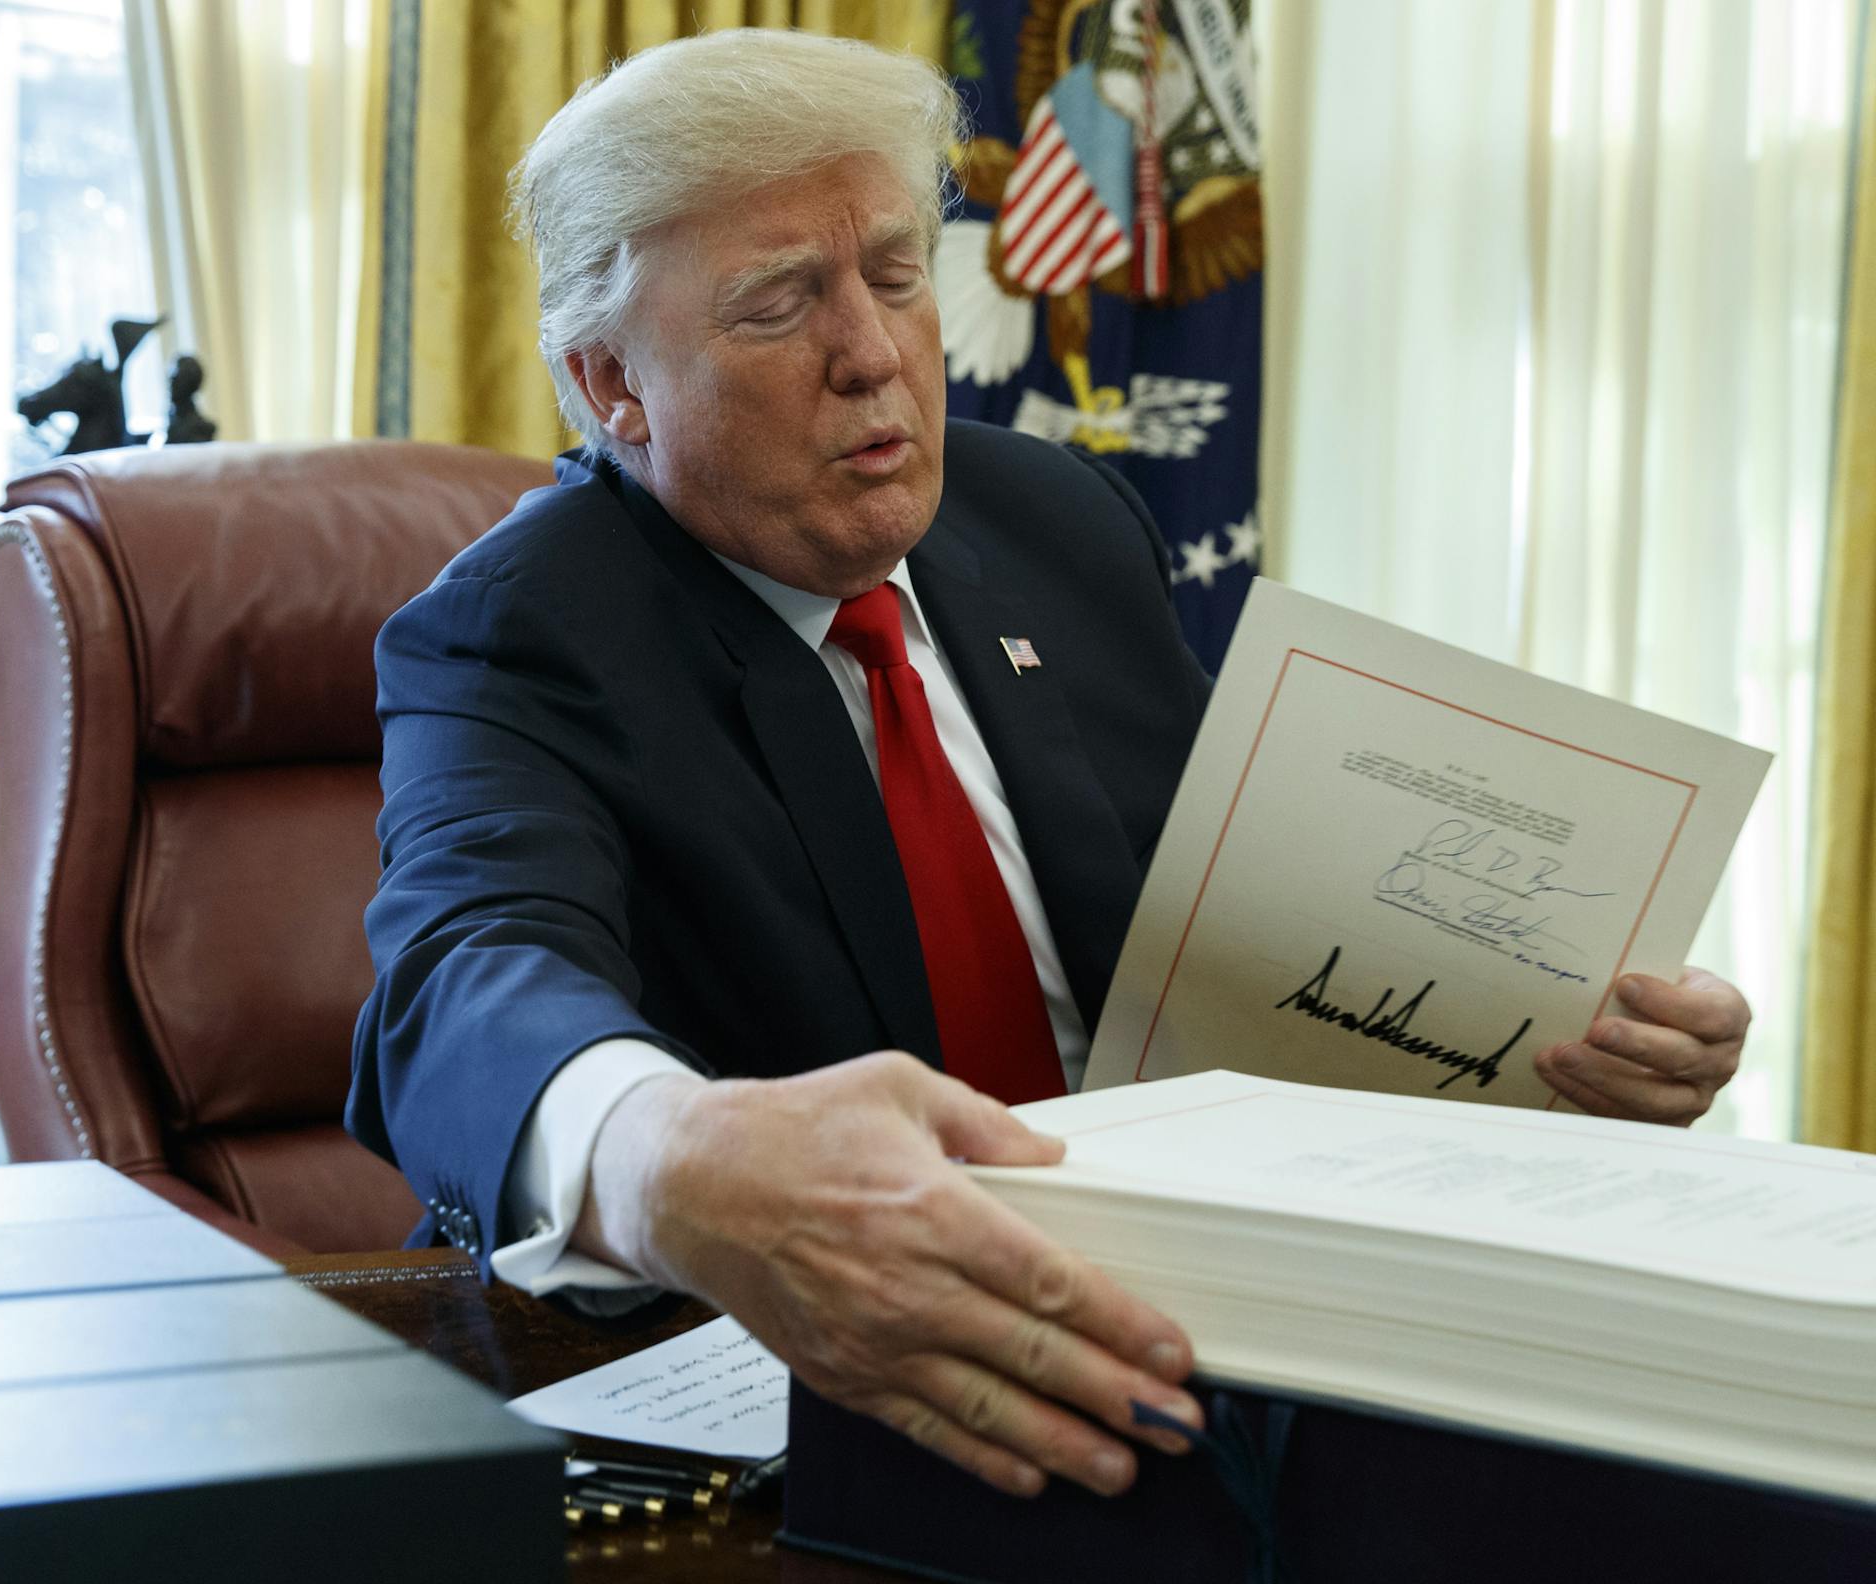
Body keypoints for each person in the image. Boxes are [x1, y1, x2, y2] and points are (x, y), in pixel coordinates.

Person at [348, 28, 1752, 1503]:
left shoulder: (1054, 522)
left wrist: (1557, 1029)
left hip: (1221, 1327)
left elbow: (1260, 927)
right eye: (778, 305)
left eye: (899, 276)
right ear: (612, 385)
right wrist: (660, 1152)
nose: (874, 354)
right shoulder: (515, 636)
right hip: (863, 1392)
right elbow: (458, 983)